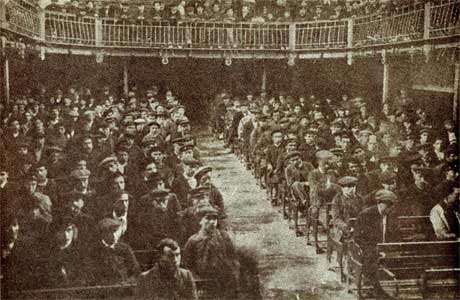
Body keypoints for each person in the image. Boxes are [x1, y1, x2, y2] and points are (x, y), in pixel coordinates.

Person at [183, 204, 240, 299]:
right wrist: (197, 284)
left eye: (215, 219)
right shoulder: (193, 241)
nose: (212, 222)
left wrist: (233, 276)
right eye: (208, 219)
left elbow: (233, 258)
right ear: (200, 221)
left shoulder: (223, 237)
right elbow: (188, 266)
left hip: (223, 282)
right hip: (203, 284)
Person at [354, 190, 400, 300]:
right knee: (371, 258)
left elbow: (395, 235)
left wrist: (389, 248)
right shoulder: (366, 215)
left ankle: (395, 285)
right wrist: (377, 250)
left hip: (385, 247)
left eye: (392, 205)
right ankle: (376, 289)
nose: (391, 208)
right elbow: (359, 238)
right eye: (388, 205)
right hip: (369, 248)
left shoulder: (391, 215)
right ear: (380, 203)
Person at [89, 218, 140, 285]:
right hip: (105, 289)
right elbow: (92, 275)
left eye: (114, 231)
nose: (113, 235)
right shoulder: (95, 251)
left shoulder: (124, 248)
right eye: (108, 232)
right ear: (102, 234)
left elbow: (136, 270)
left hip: (124, 286)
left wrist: (127, 282)